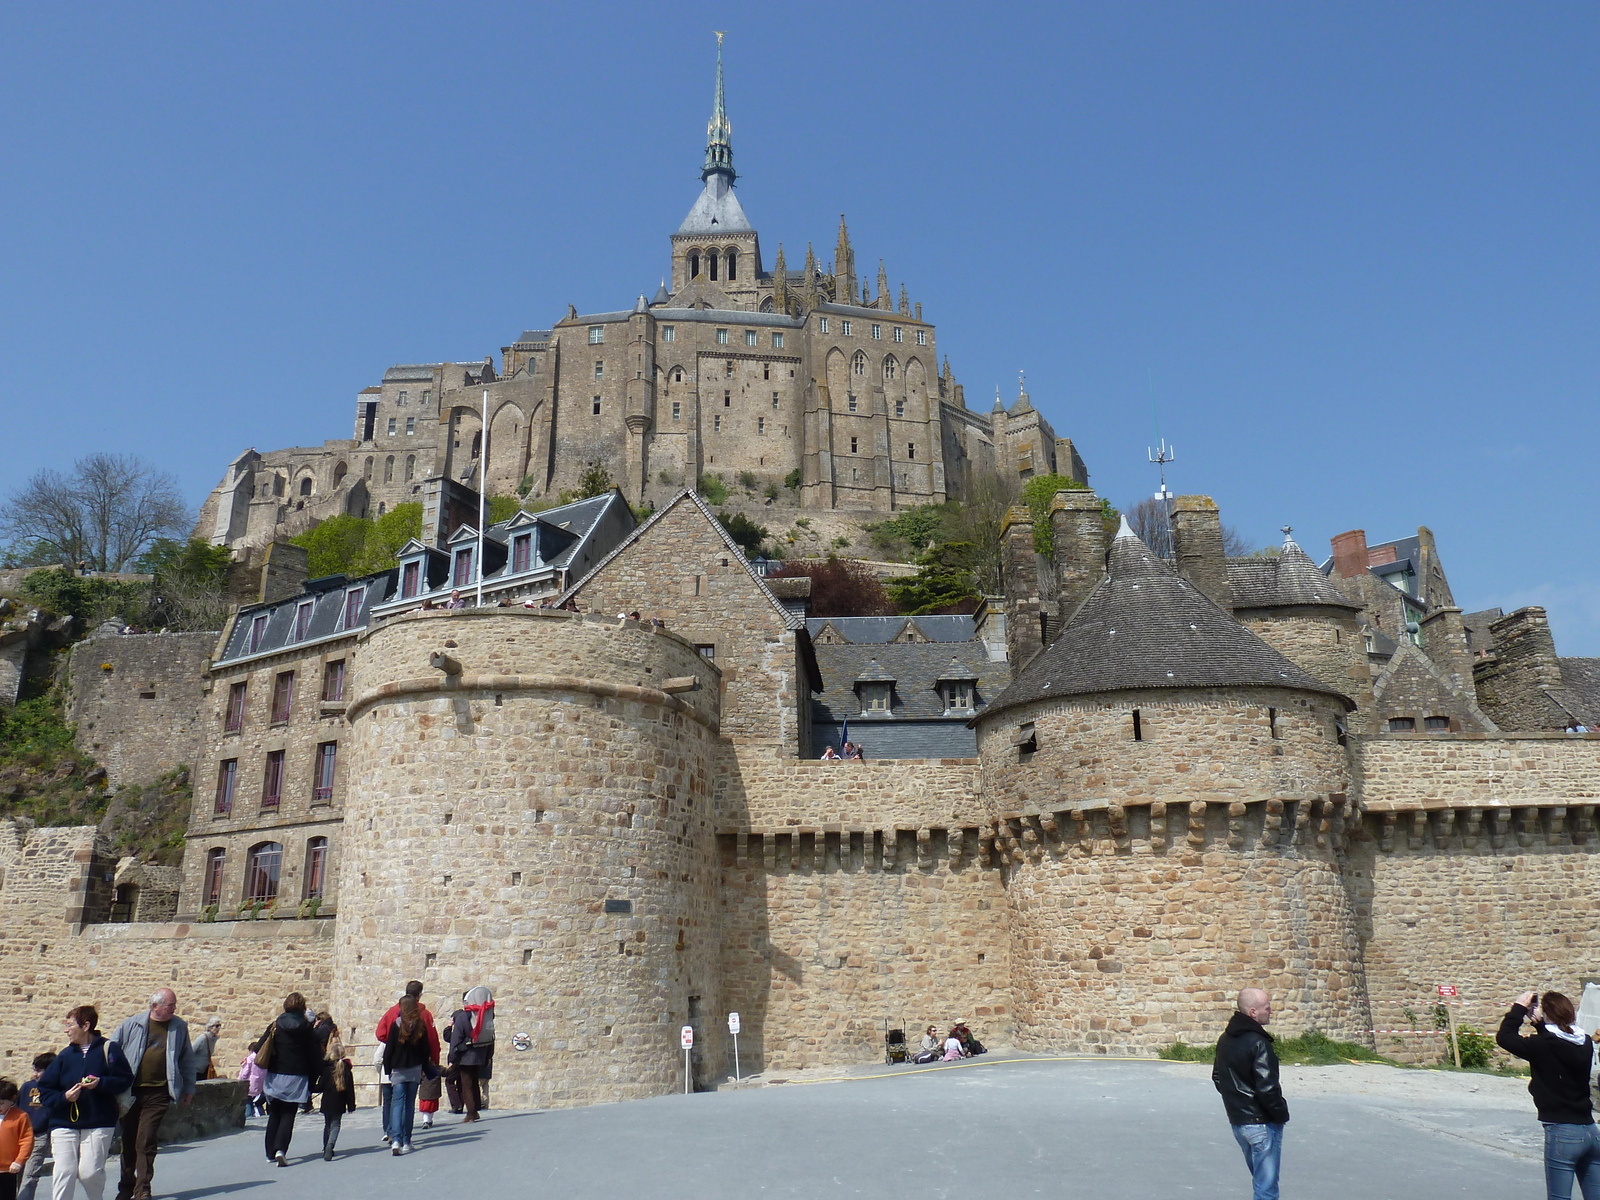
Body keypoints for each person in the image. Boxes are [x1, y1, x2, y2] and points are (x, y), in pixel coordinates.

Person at [1497, 990, 1600, 1197]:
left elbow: (1505, 1037)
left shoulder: (1541, 1044)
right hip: (1590, 1130)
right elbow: (1558, 1046)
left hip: (1562, 1130)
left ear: (1548, 1015)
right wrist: (1539, 1024)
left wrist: (1518, 1008)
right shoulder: (1585, 1042)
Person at [36, 1005, 134, 1200]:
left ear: (86, 1025)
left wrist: (101, 1083)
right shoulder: (64, 1055)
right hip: (63, 1121)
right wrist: (64, 1098)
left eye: (70, 1024)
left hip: (98, 1120)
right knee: (64, 1171)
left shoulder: (109, 1049)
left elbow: (125, 1079)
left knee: (90, 1173)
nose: (66, 1030)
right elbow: (45, 1090)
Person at [109, 988, 195, 1200]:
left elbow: (186, 1060)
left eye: (174, 1005)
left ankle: (143, 1188)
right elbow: (111, 1050)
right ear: (156, 1006)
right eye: (170, 1005)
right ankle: (126, 1186)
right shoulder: (132, 1024)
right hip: (130, 1092)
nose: (174, 1008)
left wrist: (189, 1088)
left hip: (159, 1092)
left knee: (145, 1141)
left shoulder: (179, 1027)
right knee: (128, 1141)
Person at [1212, 987, 1289, 1200]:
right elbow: (1267, 1088)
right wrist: (1281, 1113)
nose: (1271, 1011)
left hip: (1239, 1122)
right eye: (1267, 1007)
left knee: (1260, 1182)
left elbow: (1218, 1078)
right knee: (1266, 1189)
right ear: (1253, 1012)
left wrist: (1237, 1102)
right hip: (1261, 1123)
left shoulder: (1225, 1039)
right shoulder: (1259, 1043)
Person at [260, 993, 321, 1168]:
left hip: (276, 1076)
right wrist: (315, 1077)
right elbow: (314, 1054)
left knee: (275, 1114)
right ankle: (281, 1150)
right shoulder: (307, 1029)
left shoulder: (276, 1025)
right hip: (297, 1076)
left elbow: (259, 1047)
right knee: (288, 1115)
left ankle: (270, 1152)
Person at [382, 996, 439, 1155]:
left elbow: (389, 1049)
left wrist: (388, 1068)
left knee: (397, 1104)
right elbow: (425, 1049)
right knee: (409, 1106)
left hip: (398, 1069)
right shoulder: (420, 1025)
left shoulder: (396, 1025)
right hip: (414, 1069)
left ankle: (396, 1140)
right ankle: (407, 1141)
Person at [445, 987, 494, 1124]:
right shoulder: (486, 1016)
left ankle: (471, 1113)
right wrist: (488, 1056)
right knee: (474, 1082)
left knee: (466, 1084)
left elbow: (455, 1040)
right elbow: (491, 1036)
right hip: (480, 1054)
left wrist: (452, 1058)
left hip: (466, 1056)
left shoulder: (463, 1018)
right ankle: (475, 1109)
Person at [315, 1023, 355, 1162]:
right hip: (340, 1102)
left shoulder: (327, 1069)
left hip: (327, 1102)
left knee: (327, 1124)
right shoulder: (346, 1069)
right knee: (336, 1124)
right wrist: (351, 1105)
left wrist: (310, 1088)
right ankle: (331, 1145)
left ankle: (326, 1146)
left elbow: (319, 1087)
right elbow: (350, 1089)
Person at [16, 1053, 54, 1200]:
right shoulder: (27, 1087)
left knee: (30, 1176)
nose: (35, 1074)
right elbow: (17, 1108)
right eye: (34, 1070)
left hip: (39, 1136)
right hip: (20, 1136)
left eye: (39, 1071)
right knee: (16, 1173)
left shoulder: (55, 1089)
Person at [0, 1080, 36, 1200]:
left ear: (12, 1100)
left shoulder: (21, 1116)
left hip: (8, 1169)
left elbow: (26, 1140)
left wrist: (19, 1161)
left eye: (1, 1103)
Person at [371, 1043, 394, 1143]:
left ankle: (387, 1131)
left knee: (387, 1104)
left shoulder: (385, 1043)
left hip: (386, 1077)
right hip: (398, 1076)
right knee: (397, 1104)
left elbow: (377, 1058)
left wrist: (381, 1070)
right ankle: (394, 1130)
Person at [189, 1017, 222, 1082]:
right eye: (217, 1026)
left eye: (219, 1026)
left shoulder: (214, 1038)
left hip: (205, 1070)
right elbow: (191, 1052)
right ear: (210, 1027)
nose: (219, 1028)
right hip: (196, 1071)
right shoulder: (202, 1038)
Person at [237, 1043, 265, 1118]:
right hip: (261, 1084)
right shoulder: (263, 1058)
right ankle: (261, 1116)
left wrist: (241, 1079)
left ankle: (249, 1117)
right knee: (258, 1102)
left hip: (250, 1083)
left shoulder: (250, 1058)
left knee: (248, 1101)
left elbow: (245, 1073)